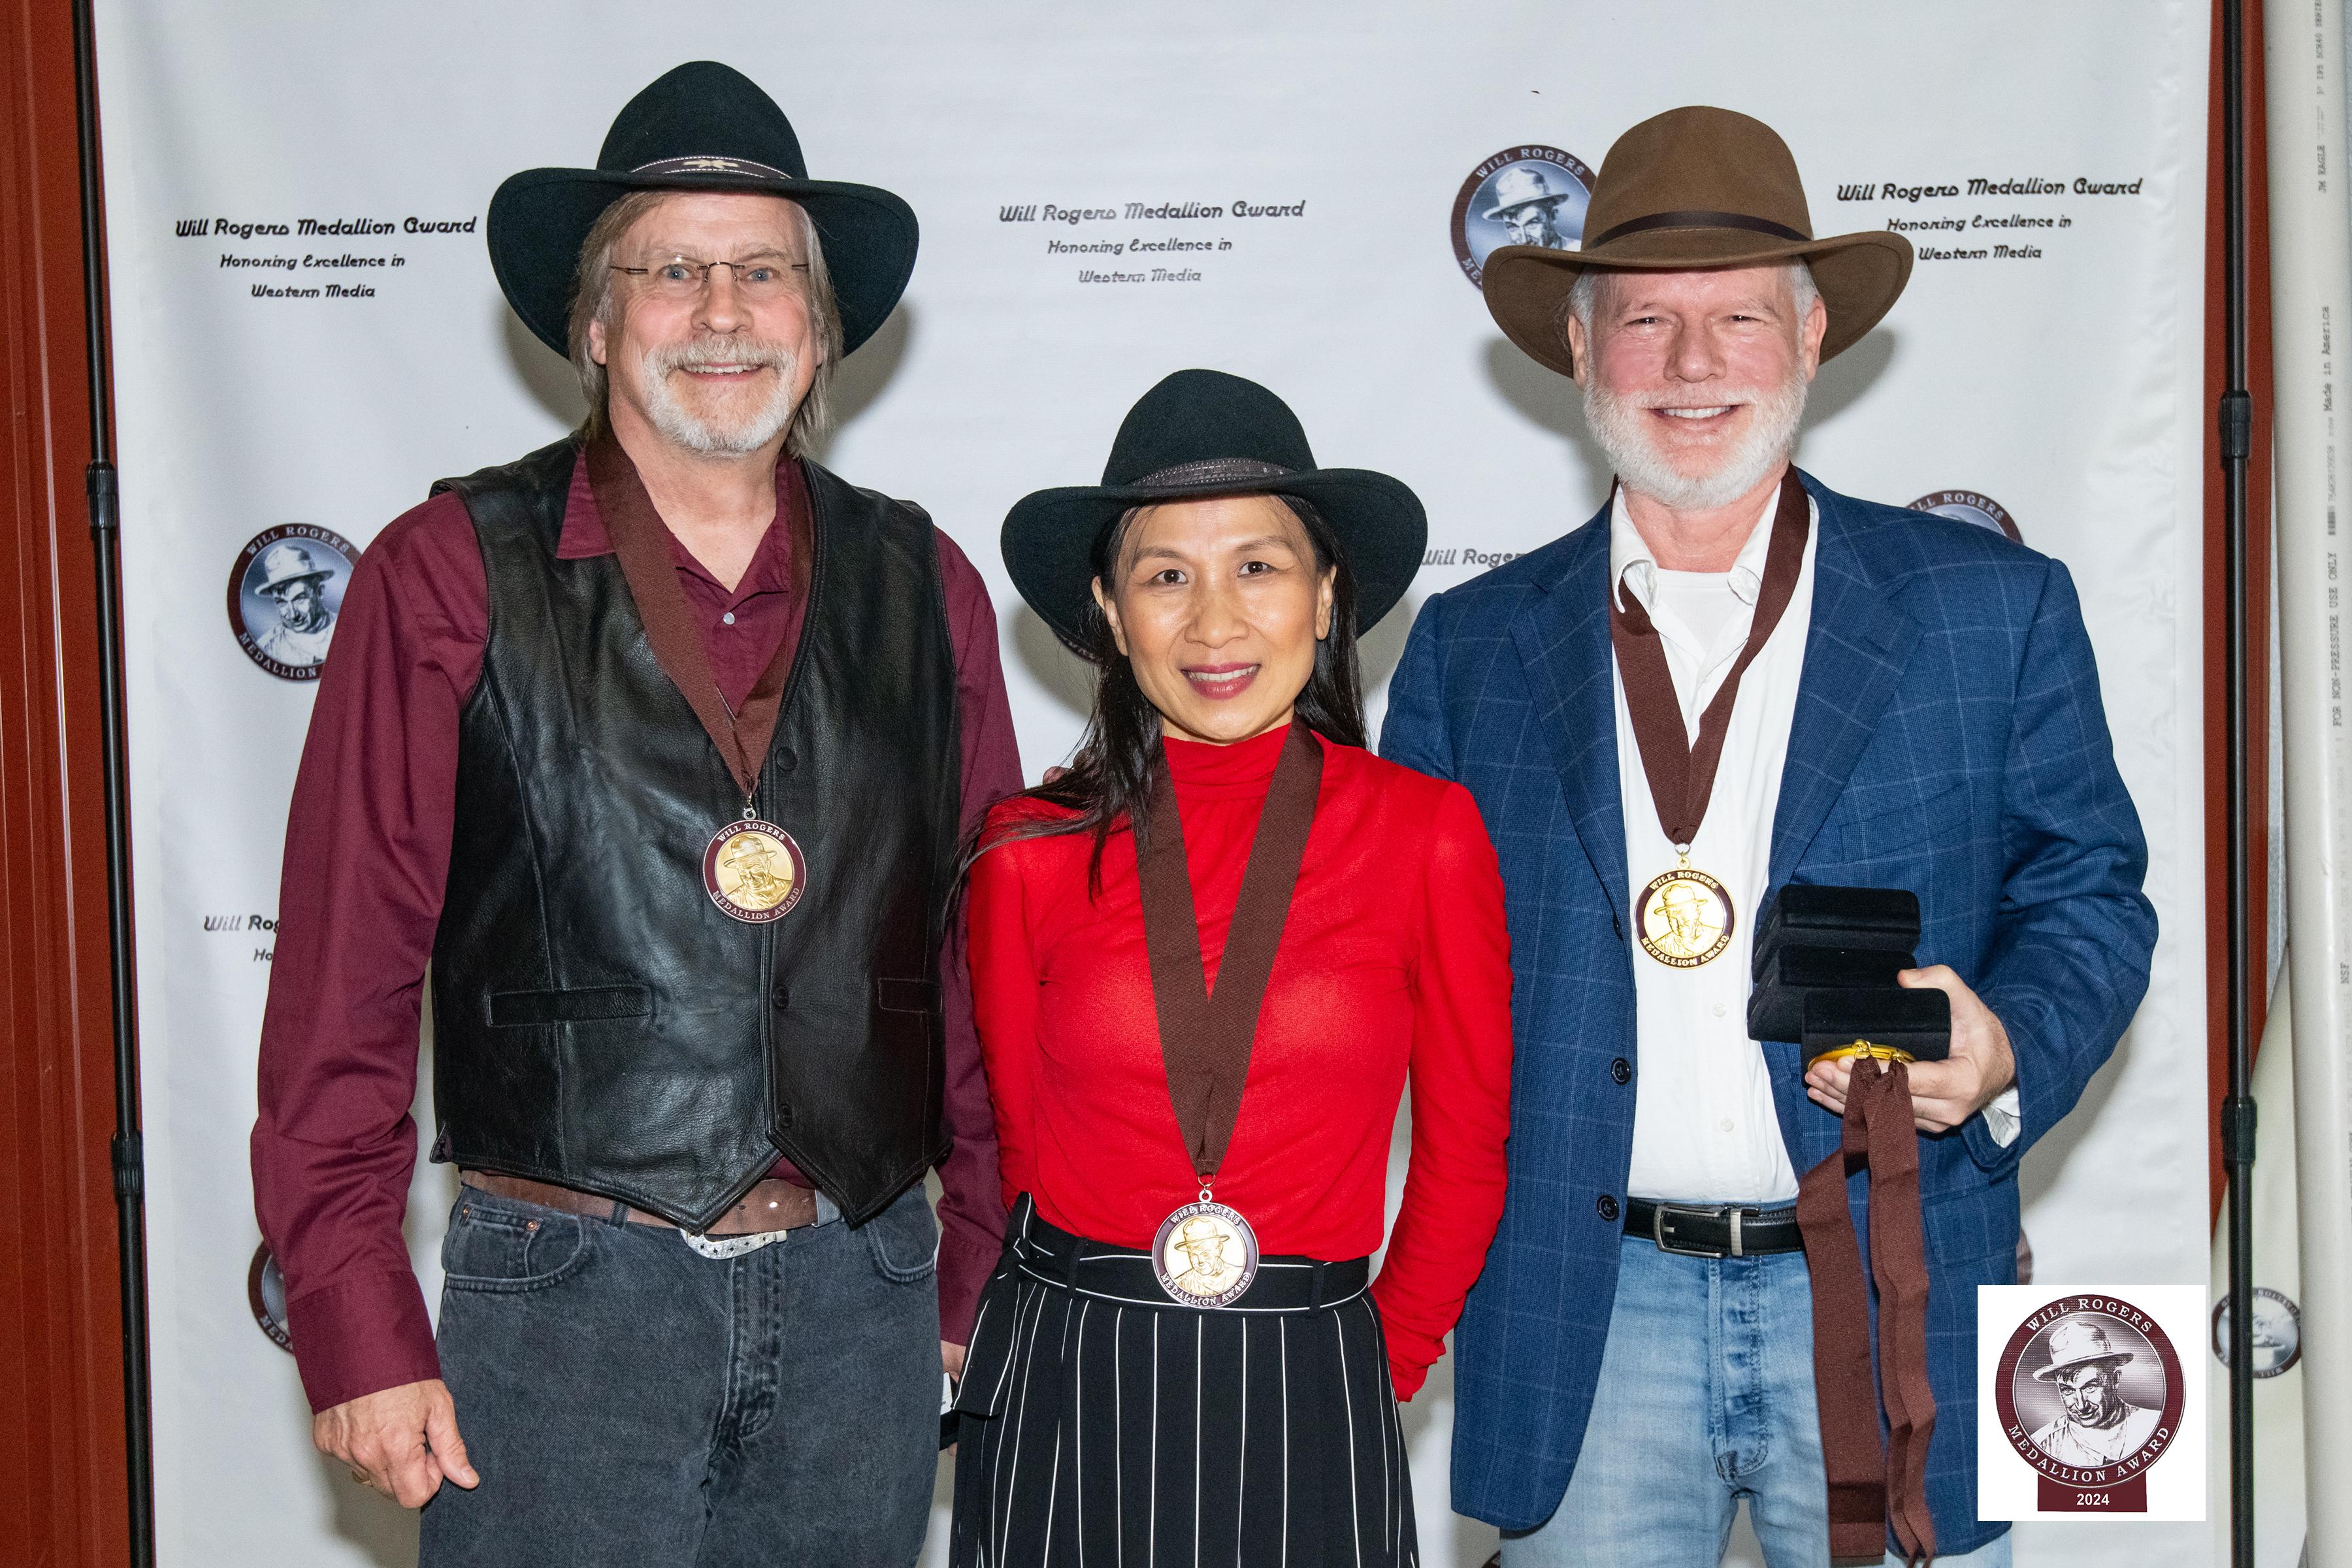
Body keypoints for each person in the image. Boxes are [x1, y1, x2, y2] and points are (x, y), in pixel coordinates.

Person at [249, 61, 1022, 1567]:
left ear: (820, 325)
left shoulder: (926, 587)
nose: (722, 311)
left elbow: (982, 957)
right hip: (564, 1303)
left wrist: (974, 1264)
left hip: (861, 1288)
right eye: (672, 269)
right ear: (597, 320)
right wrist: (352, 1310)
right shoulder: (443, 570)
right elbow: (344, 973)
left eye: (764, 273)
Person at [1380, 106, 2155, 1565]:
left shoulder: (1994, 607)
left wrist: (2007, 1048)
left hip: (1888, 1290)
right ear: (1576, 350)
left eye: (1738, 318)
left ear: (1810, 340)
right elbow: (1392, 974)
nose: (1691, 366)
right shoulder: (1467, 653)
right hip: (1585, 1310)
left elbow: (2094, 895)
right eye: (1647, 322)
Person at [954, 369, 1514, 1565]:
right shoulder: (1024, 849)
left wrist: (1378, 1361)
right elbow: (1011, 1147)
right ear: (1109, 611)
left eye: (1257, 566)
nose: (1214, 623)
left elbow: (1466, 1152)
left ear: (1325, 599)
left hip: (1316, 1371)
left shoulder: (1428, 832)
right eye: (1167, 576)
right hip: (1071, 1364)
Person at [2025, 1319, 2161, 1468]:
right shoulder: (2043, 1444)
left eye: (2090, 1387)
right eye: (2068, 1390)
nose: (2081, 1405)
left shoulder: (2154, 1426)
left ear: (2115, 1380)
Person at [250, 542, 338, 666]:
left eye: (299, 599)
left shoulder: (351, 630)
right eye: (282, 603)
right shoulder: (268, 647)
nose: (292, 614)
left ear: (319, 592)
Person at [1483, 164, 1577, 250]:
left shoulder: (1579, 253)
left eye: (1532, 224)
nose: (1524, 240)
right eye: (1512, 227)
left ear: (1552, 216)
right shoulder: (1501, 266)